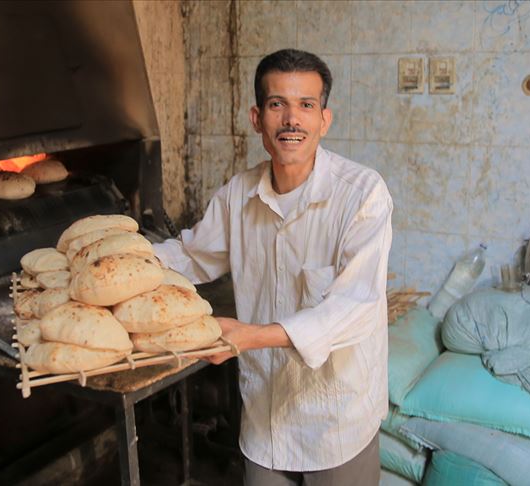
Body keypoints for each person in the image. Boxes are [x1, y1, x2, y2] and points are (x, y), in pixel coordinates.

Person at [153, 49, 392, 485]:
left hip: (336, 423)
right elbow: (190, 256)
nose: (292, 120)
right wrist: (124, 259)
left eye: (306, 105)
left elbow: (355, 307)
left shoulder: (362, 194)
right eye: (277, 104)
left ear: (325, 119)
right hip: (265, 419)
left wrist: (251, 337)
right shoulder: (237, 195)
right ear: (256, 117)